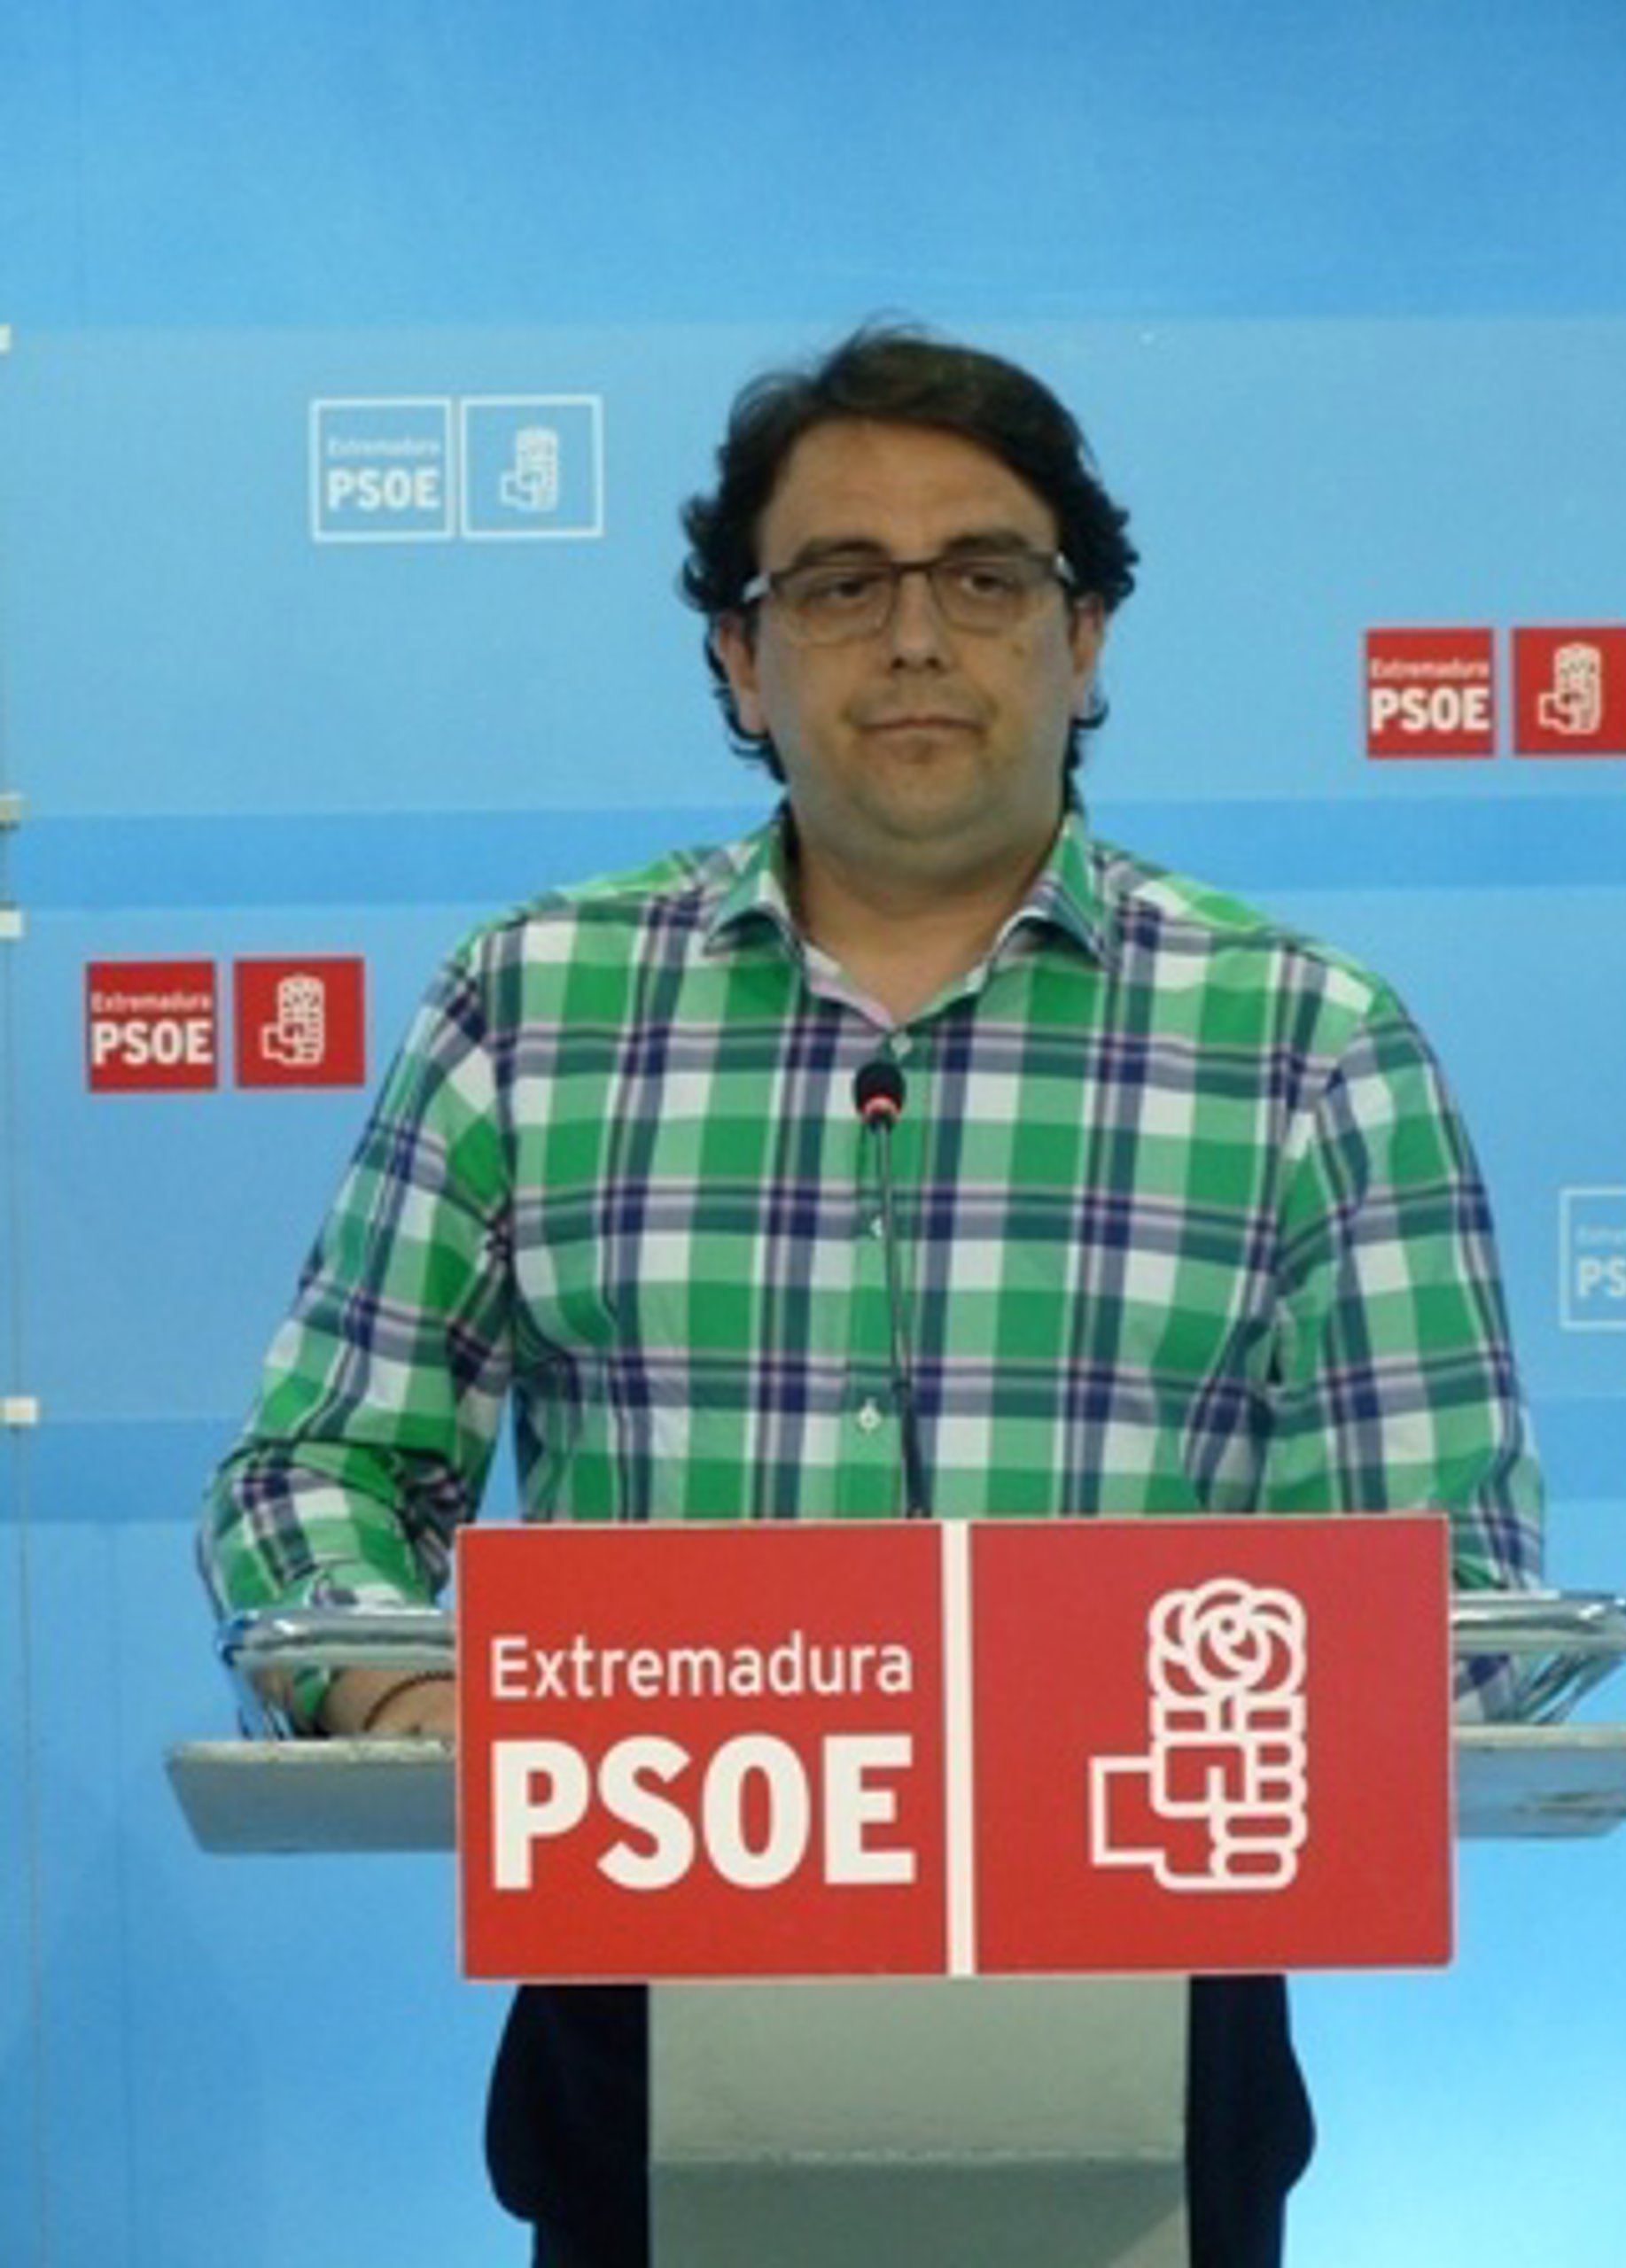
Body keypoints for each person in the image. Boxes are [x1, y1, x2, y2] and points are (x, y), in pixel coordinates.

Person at [200, 324, 1544, 2267]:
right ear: (740, 661)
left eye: (985, 577)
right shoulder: (536, 1007)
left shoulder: (1307, 1043)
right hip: (635, 2031)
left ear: (1086, 639)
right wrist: (420, 1693)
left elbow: (1457, 1589)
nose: (916, 637)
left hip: (1151, 2037)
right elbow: (311, 1473)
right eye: (839, 583)